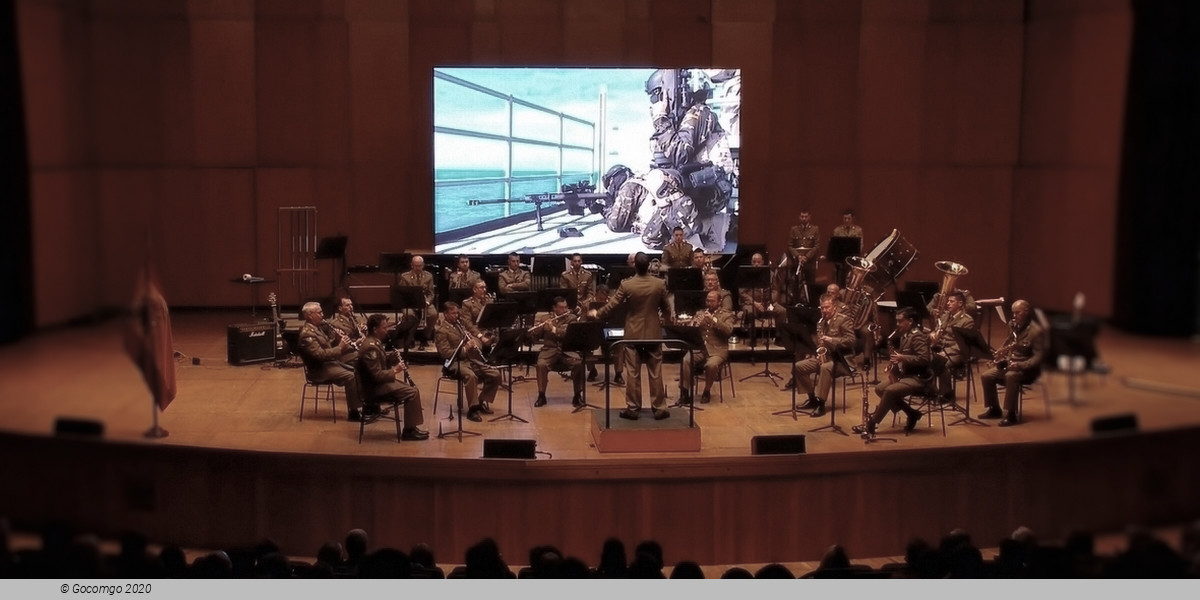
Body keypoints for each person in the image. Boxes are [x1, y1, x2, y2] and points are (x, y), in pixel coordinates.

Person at [589, 252, 672, 420]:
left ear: (635, 266)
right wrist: (668, 322)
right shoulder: (659, 284)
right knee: (655, 371)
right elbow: (667, 309)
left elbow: (612, 305)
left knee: (633, 372)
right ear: (649, 266)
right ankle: (659, 407)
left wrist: (598, 313)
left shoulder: (627, 285)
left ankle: (633, 408)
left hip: (633, 332)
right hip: (653, 333)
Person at [854, 307, 929, 435]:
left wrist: (902, 357)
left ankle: (872, 423)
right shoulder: (906, 335)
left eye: (900, 321)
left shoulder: (917, 336)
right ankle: (912, 413)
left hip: (919, 377)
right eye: (897, 321)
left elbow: (924, 359)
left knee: (889, 391)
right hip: (906, 374)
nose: (897, 324)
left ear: (910, 321)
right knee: (879, 388)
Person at [357, 314, 428, 440]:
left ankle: (411, 427)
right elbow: (377, 376)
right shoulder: (370, 347)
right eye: (384, 328)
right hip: (373, 389)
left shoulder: (375, 342)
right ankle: (409, 431)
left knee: (411, 388)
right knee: (412, 392)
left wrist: (391, 359)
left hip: (379, 384)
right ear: (375, 329)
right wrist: (395, 370)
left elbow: (380, 365)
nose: (386, 330)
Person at [980, 299, 1046, 426]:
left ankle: (1011, 414)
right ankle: (994, 409)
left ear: (1027, 312)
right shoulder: (1013, 325)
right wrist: (1003, 357)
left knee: (1010, 376)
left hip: (1027, 369)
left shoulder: (1036, 331)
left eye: (1018, 313)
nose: (1014, 316)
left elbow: (1039, 357)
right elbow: (1011, 344)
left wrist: (1020, 365)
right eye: (1013, 313)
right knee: (987, 376)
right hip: (1012, 364)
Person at [789, 294, 856, 417]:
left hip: (842, 360)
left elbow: (851, 341)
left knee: (825, 368)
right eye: (822, 308)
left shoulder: (843, 320)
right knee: (799, 366)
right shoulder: (821, 322)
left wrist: (831, 340)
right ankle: (812, 398)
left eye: (827, 307)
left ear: (834, 307)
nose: (824, 310)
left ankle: (821, 404)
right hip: (825, 356)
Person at [297, 301, 365, 421]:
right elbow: (320, 355)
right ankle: (354, 412)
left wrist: (338, 340)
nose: (322, 315)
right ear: (309, 315)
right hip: (318, 370)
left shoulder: (318, 328)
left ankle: (365, 406)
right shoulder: (307, 334)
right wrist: (340, 347)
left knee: (357, 370)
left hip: (329, 364)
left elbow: (327, 346)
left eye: (322, 312)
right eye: (319, 313)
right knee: (350, 376)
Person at [435, 301, 500, 422]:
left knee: (495, 374)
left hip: (470, 360)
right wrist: (465, 348)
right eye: (453, 313)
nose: (456, 316)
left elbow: (469, 333)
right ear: (445, 314)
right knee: (471, 376)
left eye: (457, 313)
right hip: (454, 363)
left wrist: (474, 340)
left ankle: (480, 401)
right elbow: (445, 354)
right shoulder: (442, 331)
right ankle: (473, 409)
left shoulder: (460, 325)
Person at [680, 290, 736, 404]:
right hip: (700, 349)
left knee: (711, 365)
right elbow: (691, 333)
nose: (709, 303)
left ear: (719, 302)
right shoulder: (700, 313)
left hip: (718, 350)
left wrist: (713, 320)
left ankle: (706, 391)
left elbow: (728, 330)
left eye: (712, 301)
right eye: (707, 300)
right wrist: (694, 324)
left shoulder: (727, 315)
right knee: (686, 360)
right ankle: (685, 393)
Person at [533, 296, 585, 408]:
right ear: (554, 308)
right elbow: (534, 338)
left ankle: (577, 395)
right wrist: (537, 330)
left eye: (566, 307)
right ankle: (541, 395)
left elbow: (567, 334)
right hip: (549, 351)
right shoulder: (545, 318)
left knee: (578, 364)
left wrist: (553, 329)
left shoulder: (572, 318)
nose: (565, 310)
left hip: (567, 351)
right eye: (561, 308)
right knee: (541, 365)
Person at [930, 291, 974, 402]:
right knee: (924, 359)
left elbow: (963, 344)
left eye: (951, 301)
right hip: (941, 347)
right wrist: (933, 335)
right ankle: (931, 391)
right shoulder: (945, 316)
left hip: (958, 352)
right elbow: (936, 330)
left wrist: (946, 352)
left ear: (960, 304)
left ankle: (947, 394)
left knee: (943, 363)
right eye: (948, 301)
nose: (948, 303)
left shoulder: (967, 320)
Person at [398, 255, 436, 350]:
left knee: (433, 314)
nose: (418, 268)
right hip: (409, 303)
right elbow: (402, 294)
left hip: (424, 302)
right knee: (409, 314)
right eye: (416, 266)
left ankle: (425, 337)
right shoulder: (404, 277)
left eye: (420, 265)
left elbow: (431, 293)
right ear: (412, 265)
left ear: (423, 265)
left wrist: (427, 302)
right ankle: (411, 338)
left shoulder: (428, 276)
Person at [830, 209, 863, 287]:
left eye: (849, 218)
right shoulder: (837, 230)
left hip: (853, 260)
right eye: (845, 218)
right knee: (840, 283)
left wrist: (854, 257)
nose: (846, 220)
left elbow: (861, 245)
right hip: (840, 262)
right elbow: (834, 246)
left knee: (852, 283)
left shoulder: (858, 230)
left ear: (852, 218)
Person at [788, 210, 820, 288]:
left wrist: (807, 257)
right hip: (796, 261)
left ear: (809, 217)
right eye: (802, 216)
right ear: (799, 217)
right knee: (795, 285)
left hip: (810, 262)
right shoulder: (794, 229)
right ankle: (796, 300)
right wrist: (798, 256)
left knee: (811, 285)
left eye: (806, 216)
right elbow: (790, 245)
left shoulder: (815, 229)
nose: (804, 218)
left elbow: (817, 245)